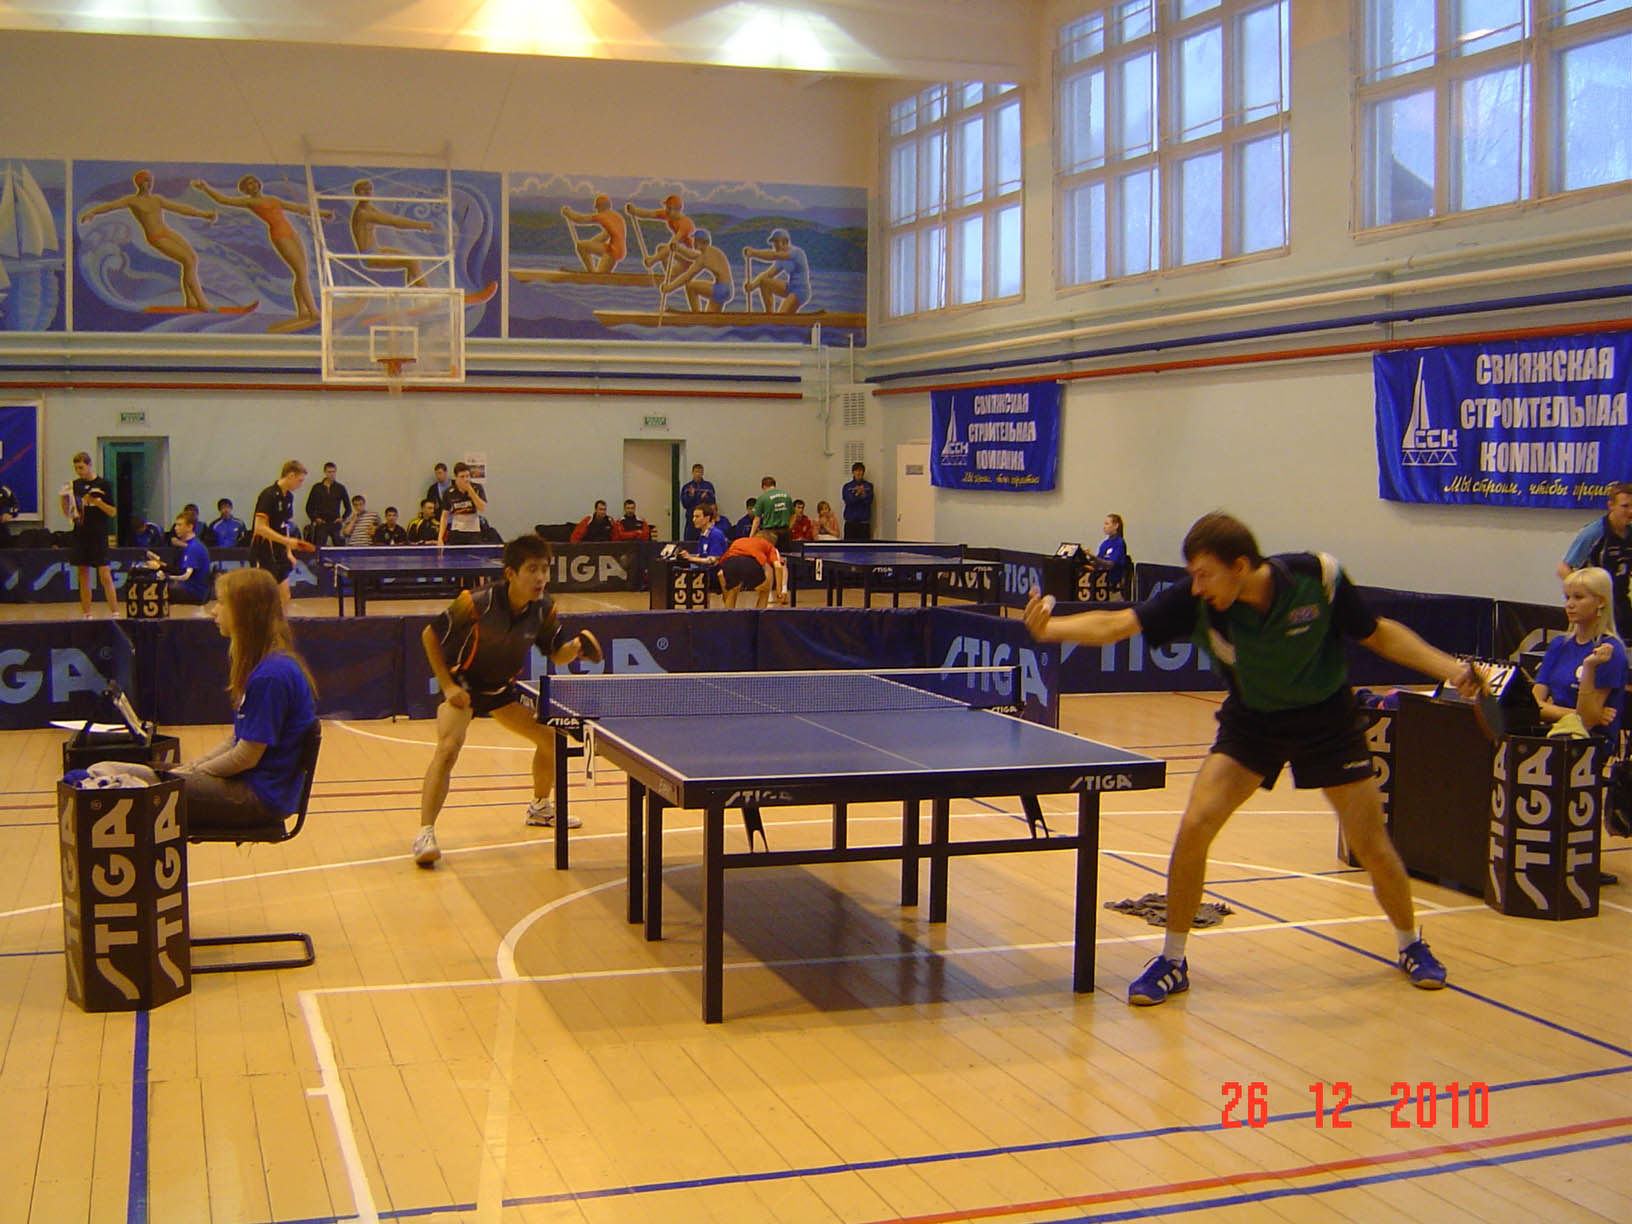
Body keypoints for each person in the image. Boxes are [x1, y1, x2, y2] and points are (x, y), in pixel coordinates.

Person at [1024, 512, 1479, 1006]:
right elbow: (1118, 624)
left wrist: (1452, 670)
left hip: (1327, 719)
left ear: (1240, 566)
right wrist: (1050, 629)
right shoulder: (1196, 602)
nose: (1197, 587)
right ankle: (1172, 960)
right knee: (1195, 824)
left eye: (1205, 574)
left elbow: (1378, 633)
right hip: (1254, 722)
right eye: (1193, 575)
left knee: (1370, 843)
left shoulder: (1318, 578)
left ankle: (1411, 944)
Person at [413, 535, 602, 865]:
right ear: (511, 573)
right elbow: (429, 634)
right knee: (448, 749)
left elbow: (556, 655)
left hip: (501, 690)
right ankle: (425, 833)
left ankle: (540, 807)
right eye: (532, 569)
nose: (541, 577)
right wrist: (447, 685)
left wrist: (574, 649)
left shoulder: (543, 609)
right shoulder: (476, 602)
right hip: (464, 688)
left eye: (545, 569)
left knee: (551, 740)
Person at [170, 567, 317, 828]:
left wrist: (195, 774)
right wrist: (191, 769)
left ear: (245, 612)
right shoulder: (268, 666)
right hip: (256, 788)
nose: (214, 611)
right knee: (136, 775)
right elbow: (237, 740)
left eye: (222, 602)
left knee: (139, 786)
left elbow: (246, 756)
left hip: (259, 798)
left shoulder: (271, 676)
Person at [191, 175, 332, 329]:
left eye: (254, 182)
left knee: (301, 273)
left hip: (291, 233)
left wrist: (322, 213)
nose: (253, 185)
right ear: (245, 190)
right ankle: (313, 310)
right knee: (300, 273)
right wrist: (205, 188)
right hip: (280, 235)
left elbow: (297, 208)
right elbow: (224, 200)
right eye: (248, 184)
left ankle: (303, 310)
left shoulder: (272, 199)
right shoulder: (250, 202)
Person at [77, 169, 217, 311]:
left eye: (150, 181)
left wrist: (203, 214)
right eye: (145, 181)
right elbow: (112, 206)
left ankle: (190, 300)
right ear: (138, 183)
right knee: (187, 261)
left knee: (192, 259)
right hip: (156, 237)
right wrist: (92, 212)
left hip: (168, 233)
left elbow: (179, 209)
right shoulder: (132, 200)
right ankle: (201, 301)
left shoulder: (157, 199)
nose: (149, 184)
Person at [1534, 567, 1628, 742]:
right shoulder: (1559, 645)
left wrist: (1589, 666)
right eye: (1567, 597)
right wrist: (1575, 714)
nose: (1569, 604)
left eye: (1578, 597)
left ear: (1600, 602)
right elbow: (1534, 706)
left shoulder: (1610, 651)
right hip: (1554, 733)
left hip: (1591, 742)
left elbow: (1587, 722)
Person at [1559, 482, 1632, 640]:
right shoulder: (1593, 533)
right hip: (1596, 607)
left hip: (1621, 602)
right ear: (1611, 505)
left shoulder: (1629, 532)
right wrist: (1581, 596)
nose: (1630, 511)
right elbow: (1564, 569)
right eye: (1625, 506)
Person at [248, 459, 314, 609]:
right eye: (300, 480)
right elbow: (259, 528)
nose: (301, 485)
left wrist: (288, 552)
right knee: (264, 599)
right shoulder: (268, 495)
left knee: (284, 596)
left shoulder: (289, 497)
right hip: (263, 551)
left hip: (280, 552)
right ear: (291, 475)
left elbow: (285, 526)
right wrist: (287, 541)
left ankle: (278, 624)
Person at [62, 452, 120, 619]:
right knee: (83, 574)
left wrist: (97, 502)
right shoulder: (75, 485)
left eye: (81, 467)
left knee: (104, 574)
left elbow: (112, 511)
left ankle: (115, 611)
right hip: (81, 533)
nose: (79, 471)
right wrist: (64, 501)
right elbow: (69, 512)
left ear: (89, 465)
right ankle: (86, 613)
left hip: (98, 534)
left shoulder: (104, 484)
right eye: (76, 468)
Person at [350, 178, 435, 286]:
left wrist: (420, 226)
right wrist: (421, 225)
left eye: (370, 189)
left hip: (376, 250)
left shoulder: (369, 208)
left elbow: (390, 218)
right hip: (369, 257)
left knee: (412, 259)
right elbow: (394, 222)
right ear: (357, 193)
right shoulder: (362, 213)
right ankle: (425, 291)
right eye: (364, 190)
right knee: (411, 261)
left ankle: (415, 288)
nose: (367, 192)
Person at [660, 228, 734, 312]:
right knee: (709, 317)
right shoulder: (711, 251)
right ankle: (699, 316)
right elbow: (692, 255)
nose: (693, 242)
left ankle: (695, 313)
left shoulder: (704, 258)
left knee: (690, 286)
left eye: (695, 240)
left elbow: (687, 277)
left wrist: (670, 288)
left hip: (721, 289)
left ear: (700, 242)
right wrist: (678, 248)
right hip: (726, 290)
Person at [743, 227, 812, 314]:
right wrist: (752, 286)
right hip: (790, 287)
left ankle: (778, 318)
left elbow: (773, 255)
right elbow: (768, 274)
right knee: (765, 282)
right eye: (773, 242)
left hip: (801, 291)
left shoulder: (797, 253)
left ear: (785, 241)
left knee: (781, 315)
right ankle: (769, 314)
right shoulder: (781, 259)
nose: (774, 245)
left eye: (776, 242)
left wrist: (754, 253)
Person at [717, 531, 789, 609]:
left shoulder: (738, 541)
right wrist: (779, 591)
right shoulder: (768, 545)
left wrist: (725, 593)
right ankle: (759, 614)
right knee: (765, 590)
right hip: (750, 564)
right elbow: (778, 566)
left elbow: (721, 570)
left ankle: (729, 615)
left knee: (732, 590)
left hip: (731, 564)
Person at [560, 194, 627, 274]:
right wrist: (590, 245)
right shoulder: (617, 217)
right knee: (584, 247)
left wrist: (568, 213)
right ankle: (593, 274)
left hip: (612, 251)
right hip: (619, 251)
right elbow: (605, 236)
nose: (597, 211)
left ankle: (591, 272)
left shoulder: (603, 216)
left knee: (581, 246)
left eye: (597, 208)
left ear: (601, 207)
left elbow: (580, 219)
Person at [629, 193, 696, 272]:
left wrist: (653, 260)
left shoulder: (686, 224)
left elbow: (675, 241)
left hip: (690, 256)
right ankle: (669, 274)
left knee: (668, 248)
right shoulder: (668, 214)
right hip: (680, 254)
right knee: (661, 249)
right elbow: (649, 214)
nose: (666, 210)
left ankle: (654, 263)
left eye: (669, 208)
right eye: (667, 207)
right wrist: (634, 211)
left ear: (677, 209)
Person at [158, 510, 212, 606]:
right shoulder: (189, 545)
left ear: (189, 527)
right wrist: (162, 566)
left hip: (194, 592)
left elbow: (185, 576)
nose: (176, 528)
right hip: (189, 588)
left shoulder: (194, 547)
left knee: (156, 590)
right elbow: (180, 570)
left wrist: (166, 577)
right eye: (176, 525)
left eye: (179, 525)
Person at [438, 462, 487, 545]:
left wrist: (470, 491)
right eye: (462, 477)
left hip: (473, 531)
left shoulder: (477, 488)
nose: (465, 479)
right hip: (457, 531)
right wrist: (440, 538)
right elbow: (444, 516)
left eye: (467, 476)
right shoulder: (449, 492)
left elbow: (482, 508)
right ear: (456, 478)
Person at [304, 462, 350, 546]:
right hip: (322, 522)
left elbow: (348, 507)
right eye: (329, 472)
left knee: (339, 546)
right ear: (325, 472)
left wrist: (342, 518)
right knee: (319, 547)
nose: (331, 474)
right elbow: (309, 507)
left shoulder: (340, 488)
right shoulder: (317, 488)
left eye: (333, 472)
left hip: (335, 521)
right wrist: (315, 518)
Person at [751, 475, 794, 551]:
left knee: (770, 555)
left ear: (763, 486)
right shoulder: (787, 496)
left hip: (770, 534)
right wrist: (789, 528)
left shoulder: (763, 498)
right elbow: (793, 515)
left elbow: (757, 520)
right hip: (785, 533)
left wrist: (751, 536)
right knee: (785, 556)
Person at [679, 464, 716, 541]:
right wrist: (691, 496)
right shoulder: (687, 487)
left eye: (700, 472)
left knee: (706, 540)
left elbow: (712, 504)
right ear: (692, 473)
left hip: (705, 521)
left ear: (703, 473)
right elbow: (685, 504)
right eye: (696, 472)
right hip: (691, 521)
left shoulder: (708, 486)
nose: (698, 474)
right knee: (689, 542)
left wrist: (705, 498)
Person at [1092, 513, 1129, 589]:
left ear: (1116, 526)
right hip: (1100, 581)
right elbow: (1097, 562)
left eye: (1107, 524)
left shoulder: (1119, 543)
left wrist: (1094, 557)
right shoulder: (1104, 543)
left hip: (1113, 583)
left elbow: (1110, 564)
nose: (1104, 527)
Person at [841, 462, 874, 540]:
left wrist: (863, 494)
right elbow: (849, 501)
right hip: (850, 523)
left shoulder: (868, 486)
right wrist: (857, 494)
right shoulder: (847, 486)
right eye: (856, 470)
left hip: (864, 524)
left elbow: (868, 501)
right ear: (853, 472)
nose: (858, 473)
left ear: (863, 472)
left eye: (860, 470)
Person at [0, 481, 18, 547]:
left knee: (7, 546)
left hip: (1, 528)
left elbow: (15, 504)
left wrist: (9, 514)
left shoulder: (3, 489)